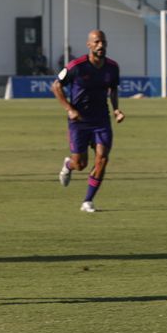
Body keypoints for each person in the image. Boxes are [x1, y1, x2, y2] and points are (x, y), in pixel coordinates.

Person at [52, 29, 124, 213]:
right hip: (80, 122)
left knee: (102, 158)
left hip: (101, 119)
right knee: (80, 164)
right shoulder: (76, 66)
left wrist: (116, 110)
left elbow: (113, 90)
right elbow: (56, 86)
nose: (101, 45)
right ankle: (69, 165)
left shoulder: (112, 67)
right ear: (89, 44)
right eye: (97, 42)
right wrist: (70, 109)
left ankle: (88, 201)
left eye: (103, 42)